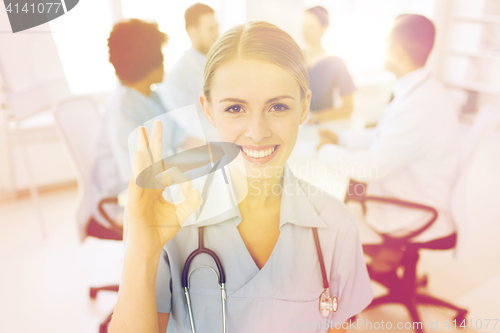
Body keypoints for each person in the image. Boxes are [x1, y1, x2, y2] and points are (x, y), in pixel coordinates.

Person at [108, 21, 372, 333]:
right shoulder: (170, 221)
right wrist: (142, 255)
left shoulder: (336, 225)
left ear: (303, 109)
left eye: (278, 106)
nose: (258, 133)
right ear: (208, 111)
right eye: (235, 108)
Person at [316, 15, 460, 265]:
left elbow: (371, 167)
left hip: (411, 207)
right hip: (416, 187)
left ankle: (381, 256)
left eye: (385, 45)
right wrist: (342, 138)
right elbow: (387, 135)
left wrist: (324, 151)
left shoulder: (417, 105)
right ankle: (387, 258)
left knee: (331, 207)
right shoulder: (425, 89)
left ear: (397, 52)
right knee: (350, 188)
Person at [90, 19, 201, 234]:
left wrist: (218, 150)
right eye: (160, 55)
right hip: (124, 201)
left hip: (158, 183)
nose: (164, 61)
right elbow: (137, 176)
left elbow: (179, 135)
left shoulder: (151, 95)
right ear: (146, 61)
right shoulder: (122, 111)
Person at [159, 3, 219, 141]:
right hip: (207, 150)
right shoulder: (177, 76)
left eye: (217, 28)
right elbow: (193, 125)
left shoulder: (222, 64)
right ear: (192, 32)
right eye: (210, 29)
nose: (216, 34)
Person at [302, 6, 356, 123]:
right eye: (303, 26)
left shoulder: (336, 63)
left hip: (320, 127)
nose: (304, 31)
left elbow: (348, 107)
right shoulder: (292, 59)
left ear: (324, 28)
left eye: (310, 27)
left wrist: (318, 116)